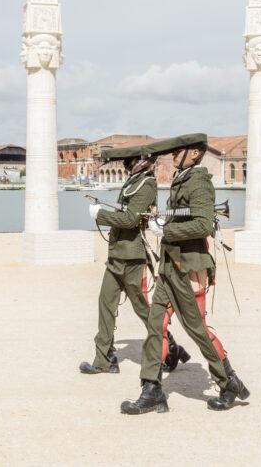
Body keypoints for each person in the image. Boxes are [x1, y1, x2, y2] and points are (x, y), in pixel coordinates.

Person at [120, 134, 249, 414]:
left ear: (194, 154)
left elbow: (203, 225)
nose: (174, 155)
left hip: (189, 267)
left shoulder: (199, 182)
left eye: (179, 151)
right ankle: (152, 389)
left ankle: (228, 382)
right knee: (156, 325)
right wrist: (162, 223)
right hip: (170, 265)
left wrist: (166, 230)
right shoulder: (182, 179)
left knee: (196, 329)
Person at [79, 144, 190, 375]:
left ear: (143, 161)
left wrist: (100, 215)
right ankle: (104, 359)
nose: (127, 164)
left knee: (145, 311)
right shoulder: (133, 181)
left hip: (133, 258)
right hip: (117, 255)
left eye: (131, 160)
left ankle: (170, 349)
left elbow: (130, 220)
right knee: (105, 304)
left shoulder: (146, 184)